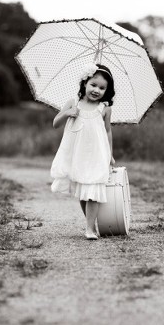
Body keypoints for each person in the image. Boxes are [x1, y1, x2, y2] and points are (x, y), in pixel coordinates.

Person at [50, 64, 116, 240]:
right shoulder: (73, 103)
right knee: (82, 189)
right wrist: (67, 113)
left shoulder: (104, 109)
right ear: (85, 83)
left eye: (102, 88)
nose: (96, 90)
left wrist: (110, 154)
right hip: (77, 153)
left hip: (96, 153)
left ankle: (89, 229)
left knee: (93, 189)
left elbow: (108, 131)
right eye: (93, 85)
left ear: (106, 91)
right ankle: (91, 224)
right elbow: (55, 123)